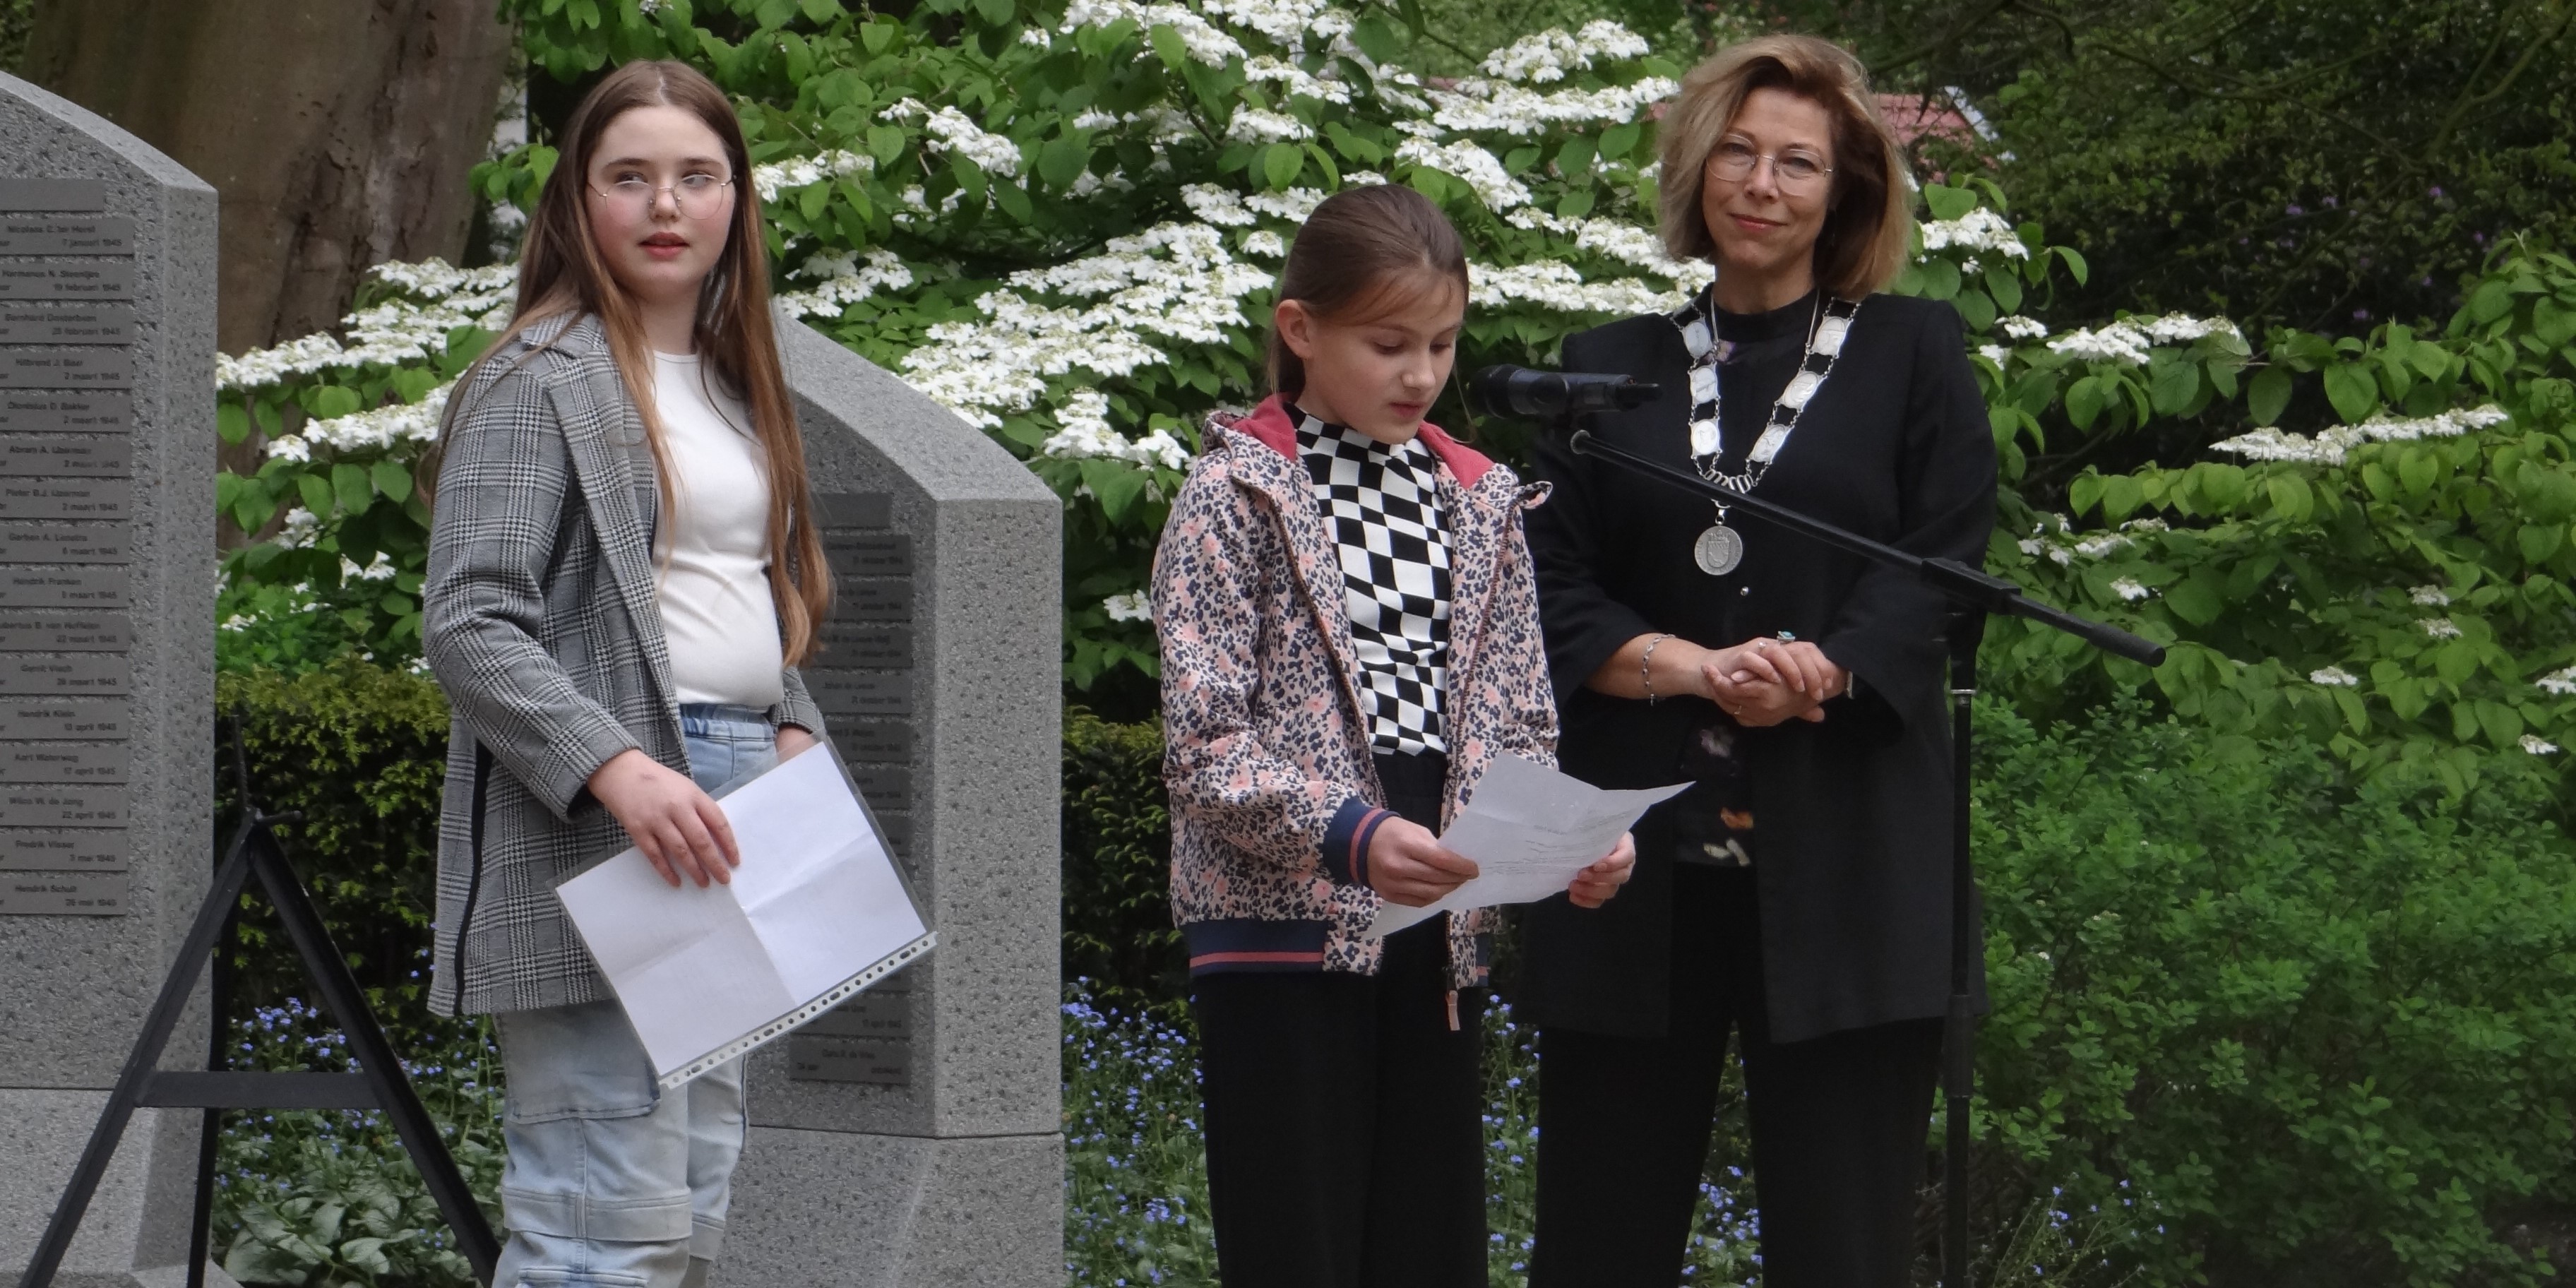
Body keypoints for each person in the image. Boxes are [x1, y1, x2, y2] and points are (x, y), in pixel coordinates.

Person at [1517, 34, 1999, 1288]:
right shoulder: (1603, 366)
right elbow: (1544, 588)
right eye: (1736, 150)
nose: (1761, 183)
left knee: (1843, 1246)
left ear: (1845, 193)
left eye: (1797, 162)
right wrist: (1682, 665)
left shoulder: (1914, 354)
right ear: (1695, 169)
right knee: (1597, 1238)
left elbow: (1944, 563)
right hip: (1630, 871)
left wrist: (1829, 672)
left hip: (1845, 867)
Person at [1151, 183, 1634, 1288]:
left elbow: (1518, 723)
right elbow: (1203, 744)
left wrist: (1570, 844)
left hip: (1437, 920)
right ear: (1300, 331)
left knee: (1430, 1250)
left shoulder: (1483, 500)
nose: (1421, 374)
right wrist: (1349, 834)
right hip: (1283, 925)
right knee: (1298, 1251)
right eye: (1388, 343)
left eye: (1443, 344)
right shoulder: (1232, 493)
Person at [418, 59, 835, 1288]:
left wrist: (792, 723)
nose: (667, 205)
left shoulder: (734, 380)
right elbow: (472, 623)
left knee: (689, 1210)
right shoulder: (533, 380)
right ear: (577, 201)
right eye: (630, 177)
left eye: (697, 177)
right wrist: (619, 770)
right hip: (607, 824)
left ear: (735, 203)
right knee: (599, 1225)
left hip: (736, 796)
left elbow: (726, 595)